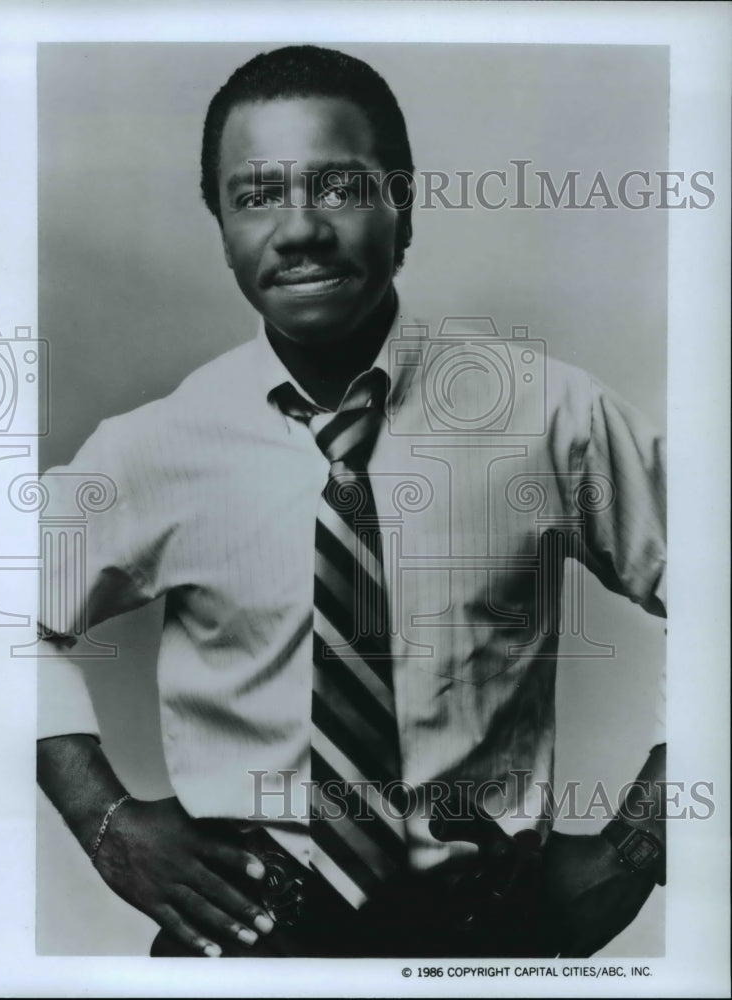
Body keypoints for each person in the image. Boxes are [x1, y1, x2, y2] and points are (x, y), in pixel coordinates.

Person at [36, 44, 667, 959]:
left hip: (486, 934)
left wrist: (641, 842)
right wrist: (102, 819)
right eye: (256, 195)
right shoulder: (152, 448)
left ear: (401, 204)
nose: (298, 230)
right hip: (246, 939)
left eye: (338, 187)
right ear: (219, 222)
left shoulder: (551, 417)